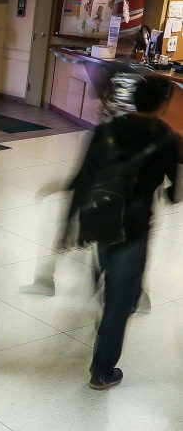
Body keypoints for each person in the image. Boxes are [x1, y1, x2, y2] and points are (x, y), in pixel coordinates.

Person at [63, 76, 179, 390]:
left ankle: (106, 283)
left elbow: (83, 178)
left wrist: (67, 225)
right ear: (163, 104)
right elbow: (176, 192)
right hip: (135, 228)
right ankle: (102, 371)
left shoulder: (106, 130)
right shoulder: (167, 138)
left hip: (101, 219)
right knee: (120, 302)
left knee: (108, 265)